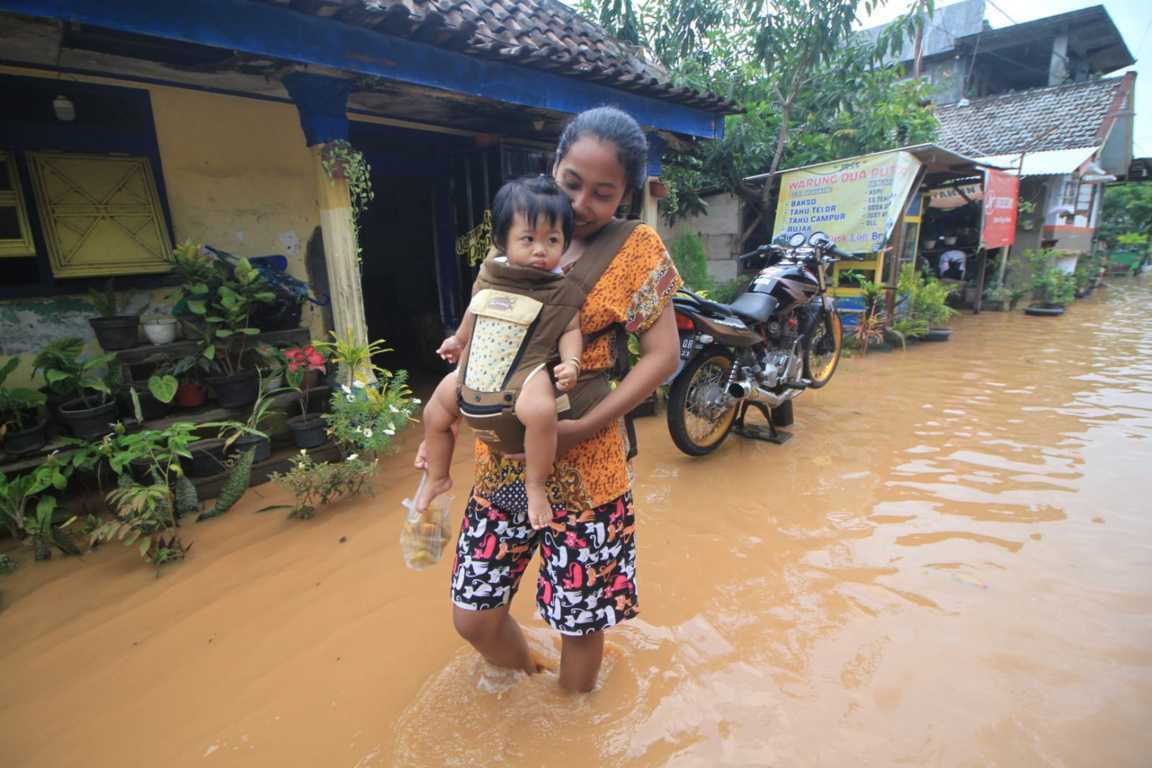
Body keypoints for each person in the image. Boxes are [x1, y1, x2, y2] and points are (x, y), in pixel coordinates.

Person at [416, 106, 682, 692]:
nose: (583, 203)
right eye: (572, 183)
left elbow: (664, 358)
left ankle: (570, 723)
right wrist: (451, 417)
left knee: (580, 622)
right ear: (554, 167)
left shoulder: (636, 249)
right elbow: (484, 335)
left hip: (590, 470)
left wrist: (584, 428)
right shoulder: (519, 232)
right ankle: (523, 678)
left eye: (603, 193)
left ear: (626, 195)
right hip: (502, 465)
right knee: (474, 618)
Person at [416, 176, 584, 531]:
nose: (541, 249)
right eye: (529, 239)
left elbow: (570, 329)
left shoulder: (561, 289)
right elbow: (475, 312)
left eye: (552, 240)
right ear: (502, 240)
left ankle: (535, 483)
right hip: (473, 374)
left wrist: (571, 362)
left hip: (525, 373)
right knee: (435, 410)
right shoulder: (490, 277)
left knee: (540, 411)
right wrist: (457, 340)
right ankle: (439, 476)